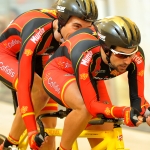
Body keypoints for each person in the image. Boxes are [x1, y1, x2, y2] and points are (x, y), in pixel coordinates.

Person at [0, 0, 98, 150]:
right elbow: (26, 87)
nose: (81, 34)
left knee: (48, 128)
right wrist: (30, 129)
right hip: (7, 54)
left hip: (41, 54)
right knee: (38, 92)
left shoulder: (83, 33)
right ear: (61, 21)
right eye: (77, 26)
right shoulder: (37, 30)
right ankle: (9, 144)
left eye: (86, 28)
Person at [42, 16, 150, 150]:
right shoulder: (86, 54)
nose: (128, 61)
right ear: (106, 49)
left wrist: (145, 112)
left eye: (131, 54)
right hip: (59, 72)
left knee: (105, 132)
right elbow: (91, 105)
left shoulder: (137, 57)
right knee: (84, 108)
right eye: (121, 55)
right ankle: (64, 148)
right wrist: (123, 111)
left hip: (91, 76)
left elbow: (137, 99)